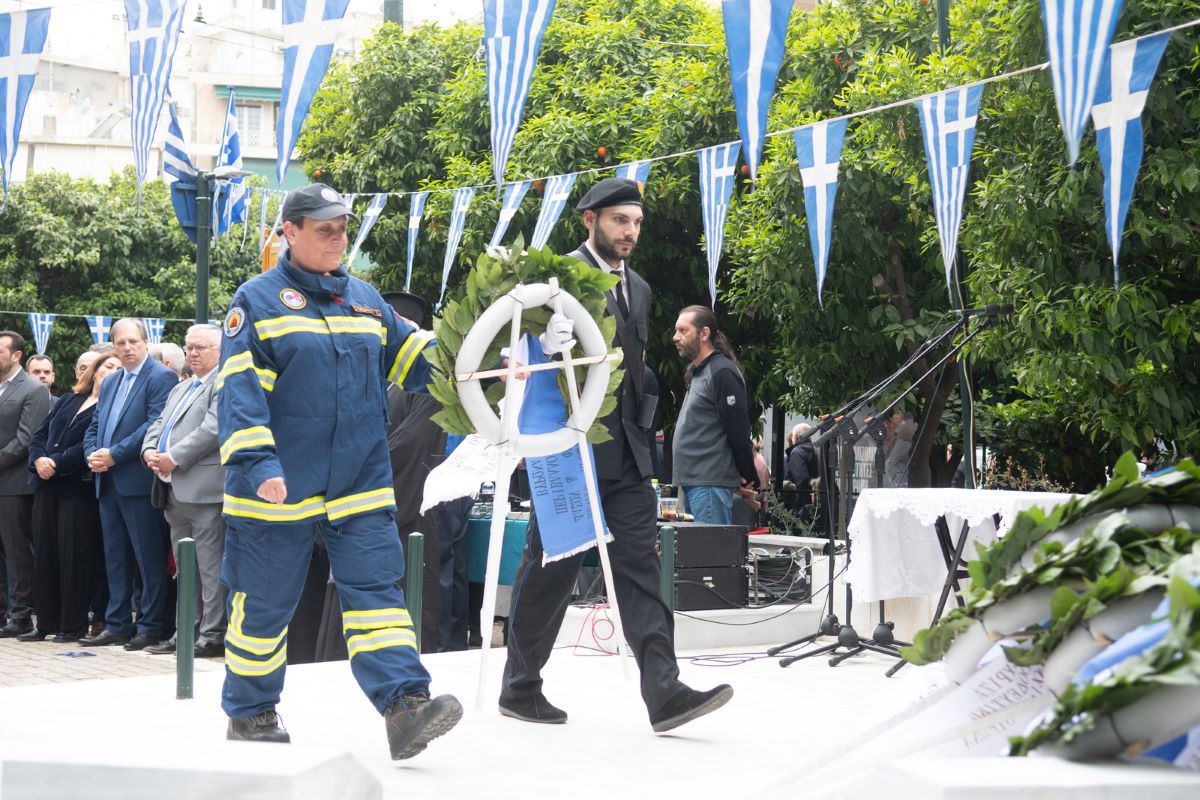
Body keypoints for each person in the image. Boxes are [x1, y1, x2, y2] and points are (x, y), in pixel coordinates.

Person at [215, 183, 460, 759]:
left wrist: (486, 366)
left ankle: (405, 708)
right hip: (278, 486)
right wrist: (258, 465)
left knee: (378, 597)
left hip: (358, 482)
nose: (337, 238)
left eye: (343, 228)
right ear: (289, 231)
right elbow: (240, 395)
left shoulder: (366, 300)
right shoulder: (256, 301)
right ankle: (250, 712)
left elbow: (422, 362)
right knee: (264, 604)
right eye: (324, 229)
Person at [501, 177, 733, 733]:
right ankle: (520, 687)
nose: (630, 232)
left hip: (627, 452)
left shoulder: (642, 289)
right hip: (568, 448)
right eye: (619, 221)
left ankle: (664, 693)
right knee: (552, 569)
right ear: (590, 220)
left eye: (636, 223)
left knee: (640, 568)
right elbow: (512, 352)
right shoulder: (554, 278)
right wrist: (540, 344)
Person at [81, 318, 177, 650]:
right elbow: (95, 423)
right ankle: (118, 623)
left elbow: (152, 425)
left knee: (147, 558)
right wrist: (92, 454)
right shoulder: (110, 381)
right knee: (115, 557)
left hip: (137, 480)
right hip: (107, 481)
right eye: (120, 343)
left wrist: (114, 455)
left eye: (133, 341)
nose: (127, 348)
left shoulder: (161, 377)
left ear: (146, 342)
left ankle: (149, 625)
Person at [18, 353, 119, 642]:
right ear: (95, 371)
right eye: (107, 366)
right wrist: (38, 459)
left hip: (77, 489)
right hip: (46, 486)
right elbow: (39, 434)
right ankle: (45, 623)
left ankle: (72, 625)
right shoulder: (68, 400)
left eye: (117, 368)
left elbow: (89, 446)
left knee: (73, 558)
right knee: (45, 554)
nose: (111, 371)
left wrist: (55, 462)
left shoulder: (109, 408)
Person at [141, 324, 226, 658]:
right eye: (189, 347)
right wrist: (149, 450)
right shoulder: (182, 387)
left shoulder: (224, 382)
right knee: (184, 569)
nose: (192, 353)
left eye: (200, 347)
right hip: (172, 489)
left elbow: (213, 429)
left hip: (205, 490)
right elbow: (158, 424)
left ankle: (212, 634)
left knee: (209, 568)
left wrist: (173, 457)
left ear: (220, 350)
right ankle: (185, 632)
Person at [670, 306, 760, 525]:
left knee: (710, 547)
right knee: (699, 547)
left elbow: (738, 429)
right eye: (676, 330)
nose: (675, 337)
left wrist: (749, 477)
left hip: (708, 484)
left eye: (683, 331)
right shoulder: (700, 372)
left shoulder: (722, 372)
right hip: (696, 482)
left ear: (704, 334)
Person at [0, 332, 53, 637]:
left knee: (17, 553)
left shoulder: (33, 390)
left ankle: (21, 614)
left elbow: (26, 439)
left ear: (16, 355)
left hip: (15, 485)